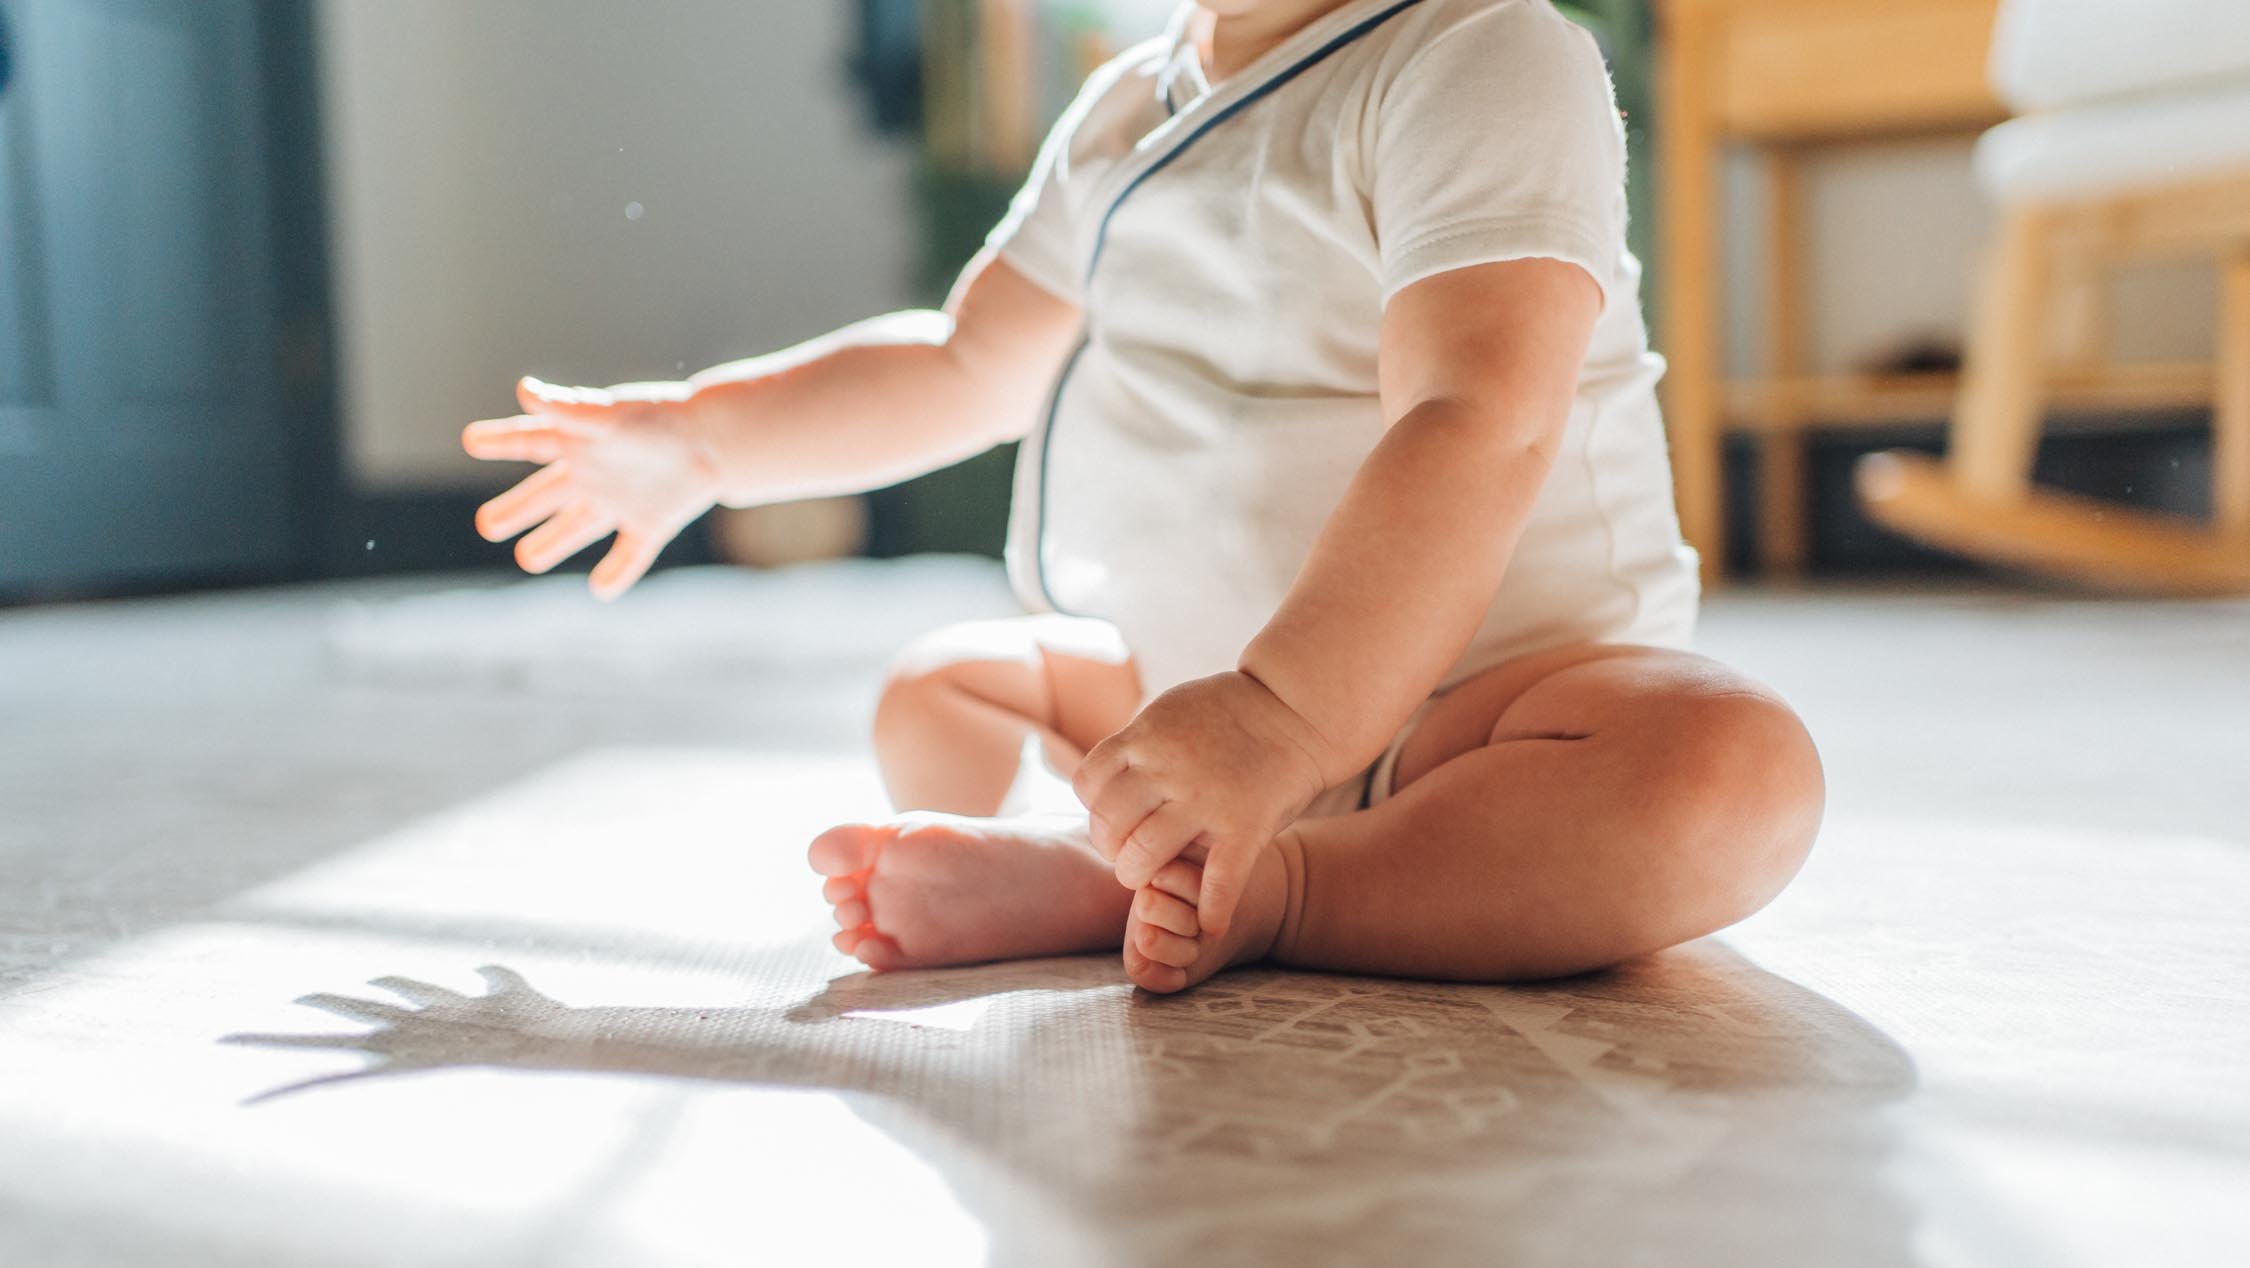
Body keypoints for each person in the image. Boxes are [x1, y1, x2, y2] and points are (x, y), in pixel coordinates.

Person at [462, 0, 1825, 995]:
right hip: (1181, 701)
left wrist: (1283, 719)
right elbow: (964, 359)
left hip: (1485, 715)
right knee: (939, 685)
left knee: (1727, 775)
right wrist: (706, 444)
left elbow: (1476, 415)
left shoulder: (1483, 54)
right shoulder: (1122, 110)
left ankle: (1268, 889)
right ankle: (1087, 845)